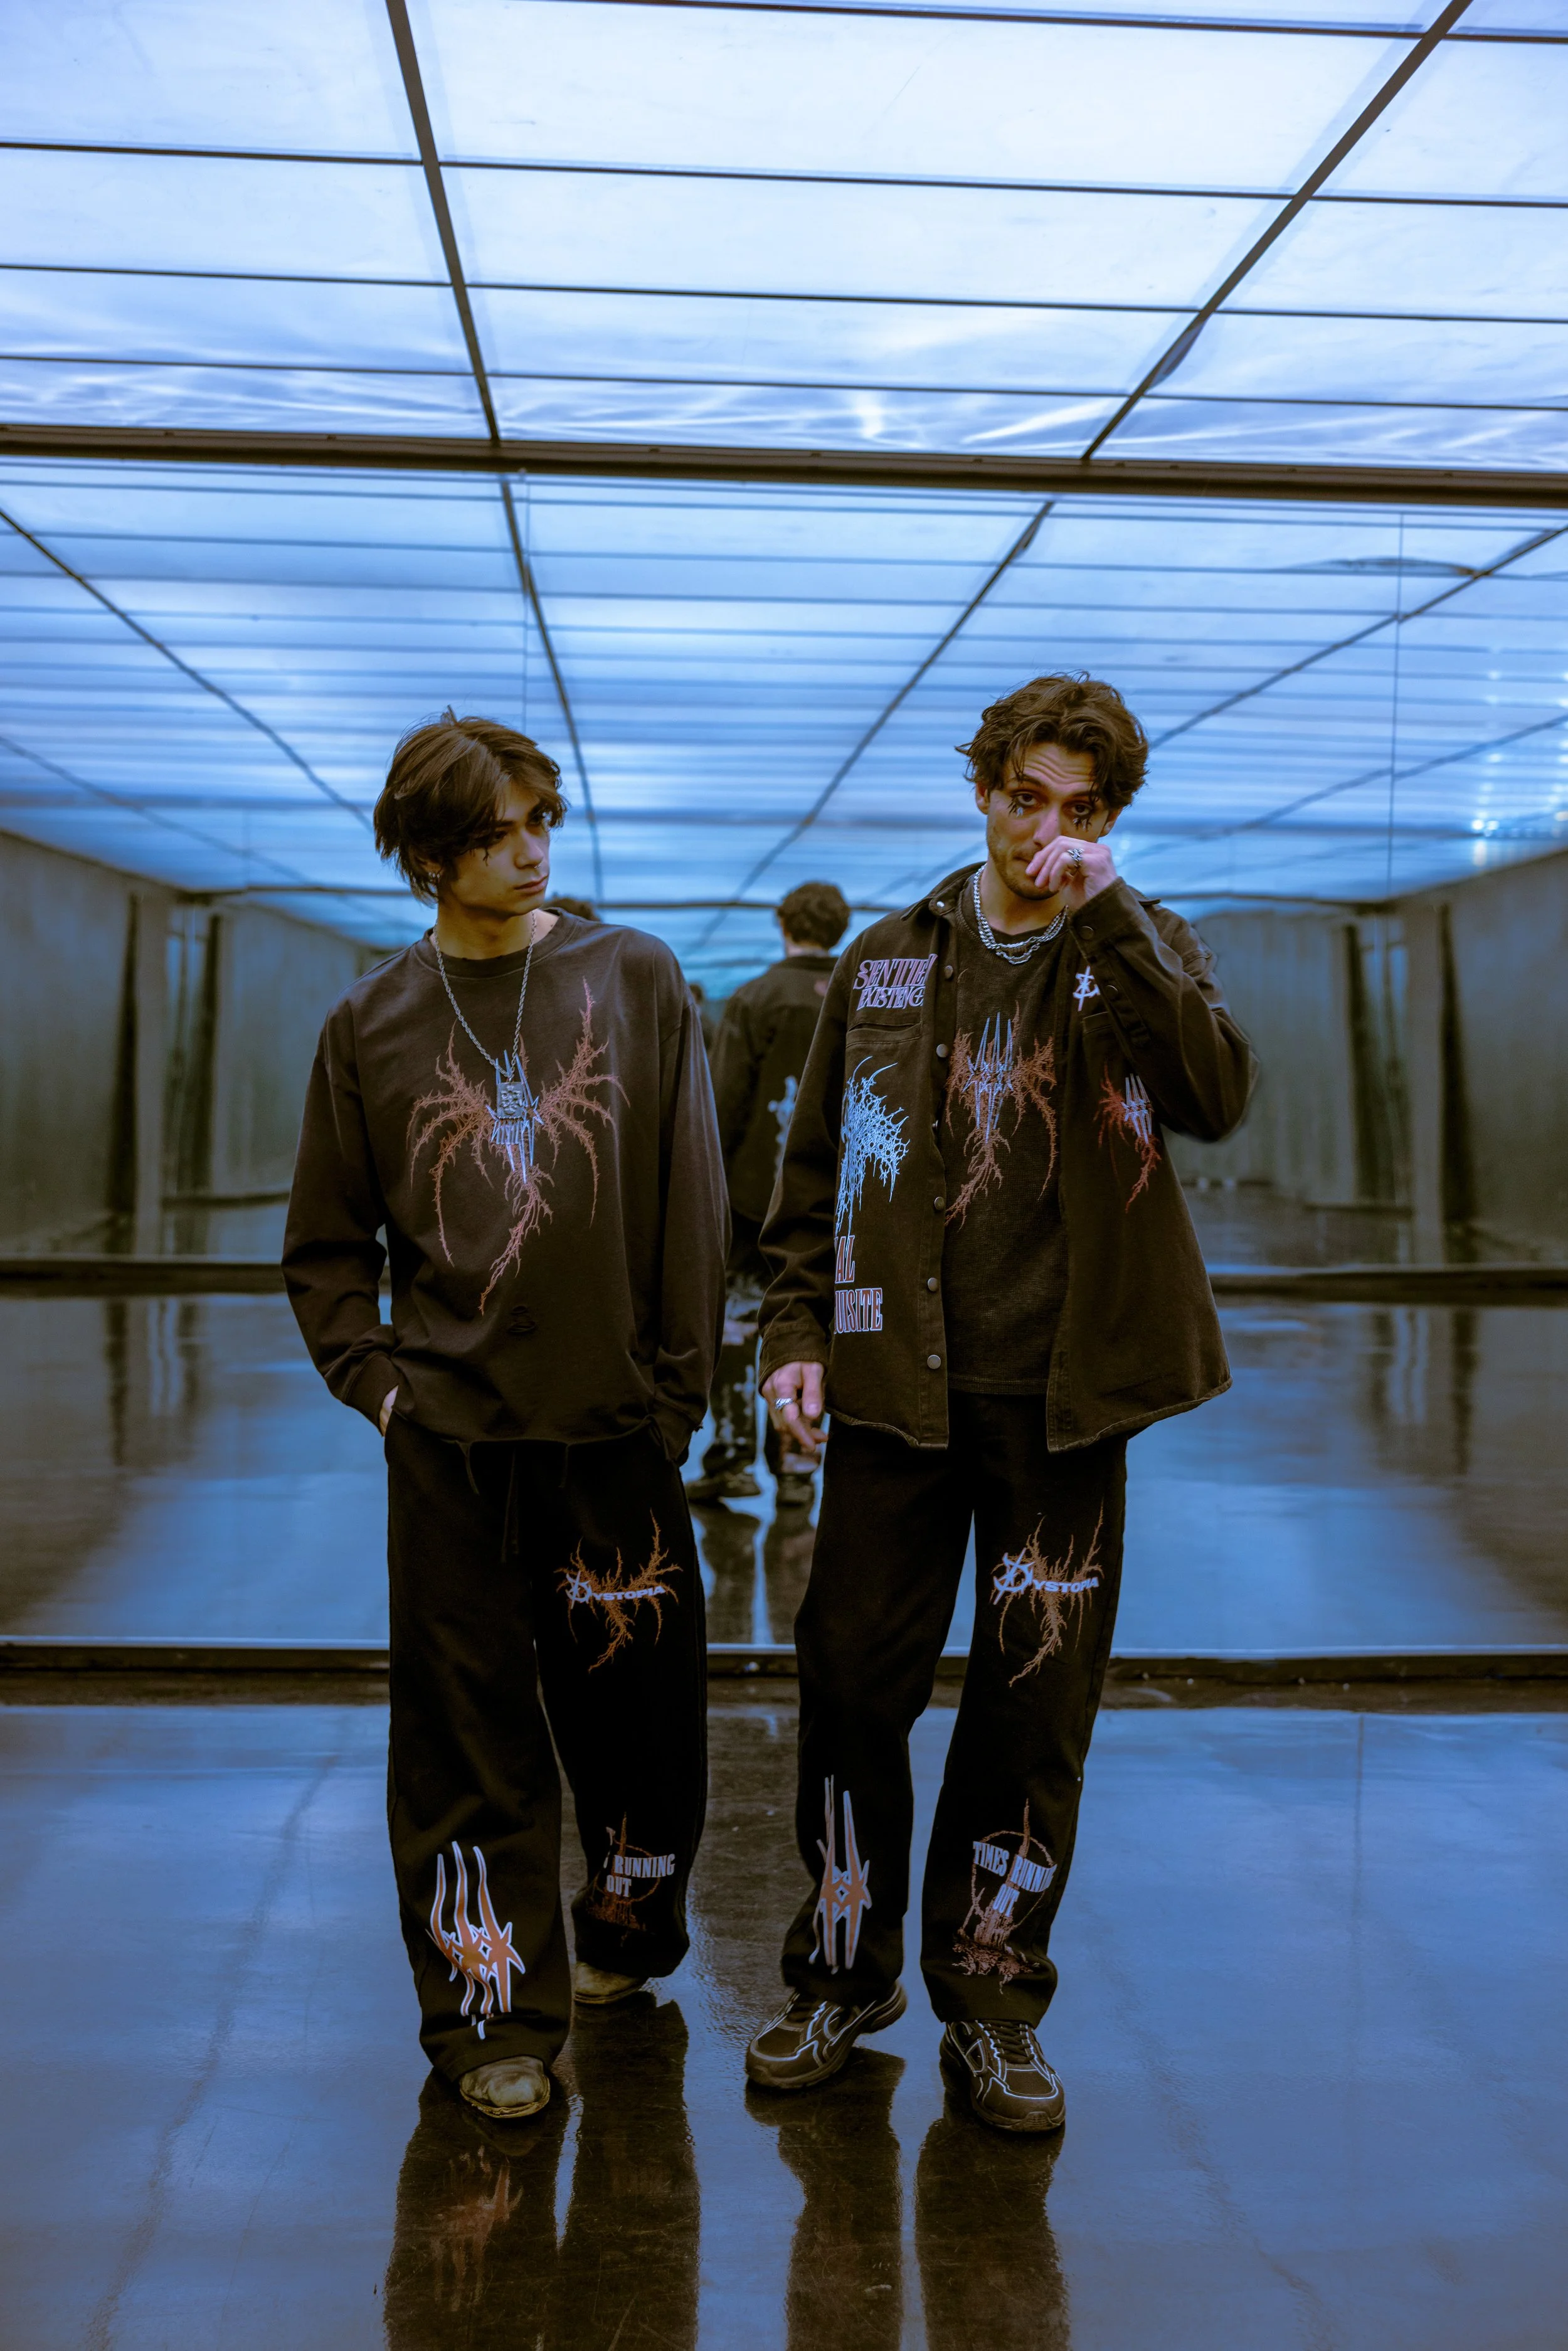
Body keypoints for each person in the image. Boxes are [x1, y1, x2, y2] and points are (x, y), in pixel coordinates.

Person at [743, 674, 1257, 2130]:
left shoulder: (1137, 953)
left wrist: (1113, 912)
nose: (1048, 829)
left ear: (1109, 820)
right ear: (981, 792)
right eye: (1025, 798)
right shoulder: (887, 964)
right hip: (895, 1394)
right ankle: (844, 1970)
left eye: (1081, 809)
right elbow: (811, 1177)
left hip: (1064, 1402)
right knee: (849, 1684)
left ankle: (991, 1987)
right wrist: (793, 1332)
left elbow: (1213, 1093)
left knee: (1033, 1716)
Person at [283, 711, 726, 2125]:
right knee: (465, 1737)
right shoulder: (370, 1022)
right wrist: (381, 1384)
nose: (531, 850)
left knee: (640, 1722)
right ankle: (488, 2013)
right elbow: (327, 1242)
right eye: (494, 832)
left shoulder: (633, 975)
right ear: (427, 857)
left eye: (542, 818)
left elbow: (687, 1195)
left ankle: (624, 1936)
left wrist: (674, 1394)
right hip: (453, 1445)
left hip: (616, 1432)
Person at [686, 881, 850, 1513]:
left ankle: (732, 1462)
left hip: (756, 1200)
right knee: (817, 1325)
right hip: (839, 1200)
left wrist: (712, 1196)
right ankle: (799, 1466)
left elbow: (722, 1105)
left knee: (734, 1328)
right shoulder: (860, 991)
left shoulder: (755, 999)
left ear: (784, 924)